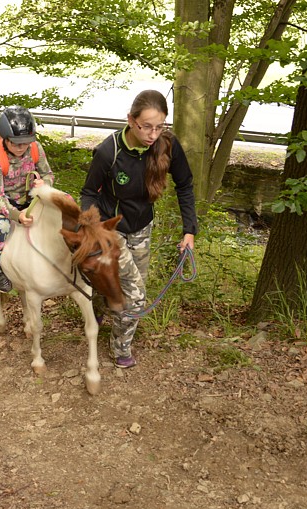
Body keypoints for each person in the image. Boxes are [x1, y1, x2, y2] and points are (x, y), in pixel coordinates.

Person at [80, 90, 198, 369]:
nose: (153, 134)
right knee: (135, 294)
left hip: (143, 227)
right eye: (147, 126)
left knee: (125, 283)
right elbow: (89, 192)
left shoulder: (168, 146)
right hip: (111, 229)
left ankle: (97, 310)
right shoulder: (109, 151)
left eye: (160, 127)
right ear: (131, 121)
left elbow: (185, 185)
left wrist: (189, 230)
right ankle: (121, 348)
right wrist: (93, 226)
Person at [0, 105, 55, 292]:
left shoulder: (35, 148)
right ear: (6, 139)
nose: (21, 147)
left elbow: (48, 173)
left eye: (25, 142)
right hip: (6, 200)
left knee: (61, 208)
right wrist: (16, 216)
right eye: (16, 143)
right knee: (3, 227)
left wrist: (44, 183)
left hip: (30, 196)